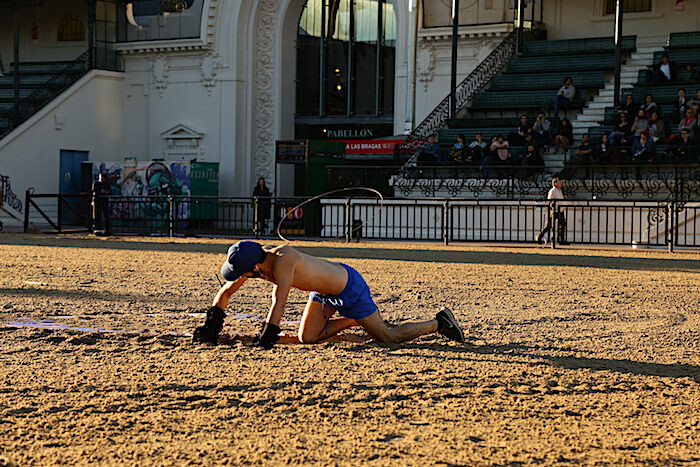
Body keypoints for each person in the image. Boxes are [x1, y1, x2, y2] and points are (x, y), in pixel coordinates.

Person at [192, 241, 466, 348]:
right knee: (308, 337)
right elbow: (226, 291)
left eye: (242, 272)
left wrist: (267, 339)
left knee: (387, 337)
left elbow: (279, 302)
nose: (241, 276)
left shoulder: (283, 260)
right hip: (323, 293)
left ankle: (439, 322)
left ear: (253, 267)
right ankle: (355, 320)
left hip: (349, 288)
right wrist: (211, 325)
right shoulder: (254, 264)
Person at [536, 178, 567, 245]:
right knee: (549, 226)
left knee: (562, 225)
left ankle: (561, 240)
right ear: (555, 184)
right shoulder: (552, 191)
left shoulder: (560, 191)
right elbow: (549, 200)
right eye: (559, 182)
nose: (561, 184)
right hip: (554, 210)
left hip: (560, 210)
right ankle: (539, 237)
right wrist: (550, 208)